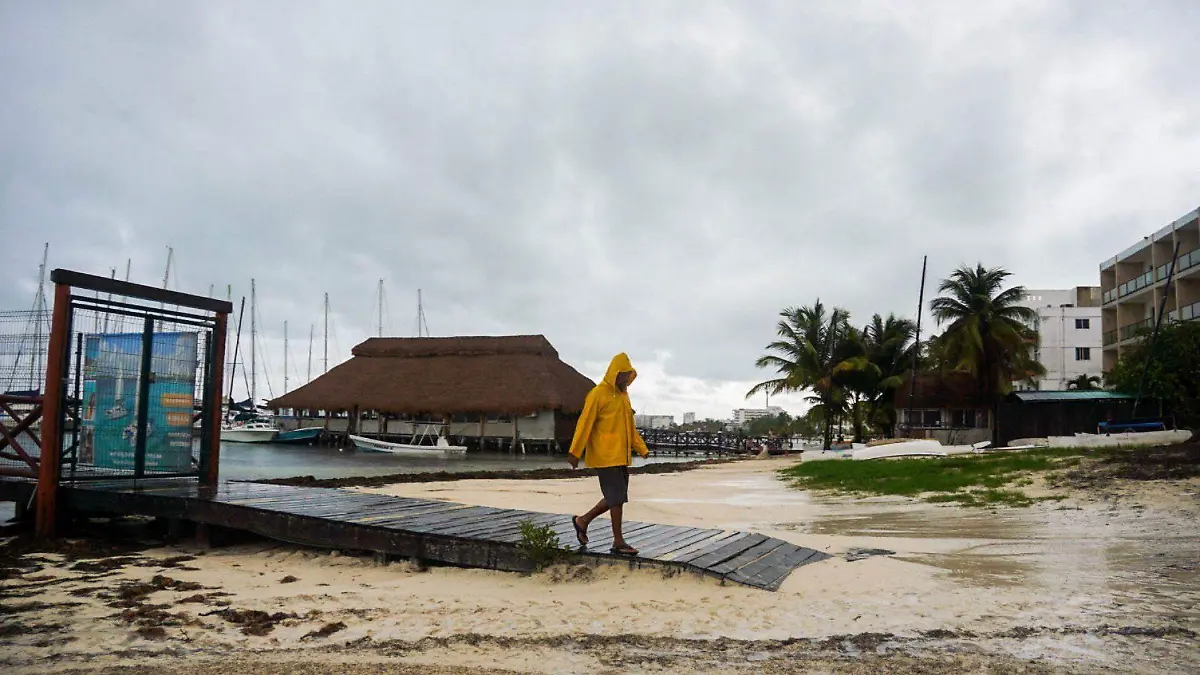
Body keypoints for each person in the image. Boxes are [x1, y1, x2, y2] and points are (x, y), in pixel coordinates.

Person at [567, 352, 650, 556]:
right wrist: (575, 451)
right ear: (615, 374)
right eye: (623, 376)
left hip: (621, 456)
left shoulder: (624, 397)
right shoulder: (598, 394)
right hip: (605, 455)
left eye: (628, 376)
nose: (626, 380)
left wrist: (642, 448)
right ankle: (617, 540)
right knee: (616, 497)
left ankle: (584, 521)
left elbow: (630, 427)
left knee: (617, 497)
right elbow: (584, 423)